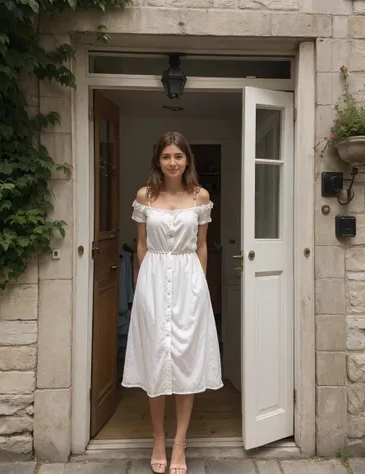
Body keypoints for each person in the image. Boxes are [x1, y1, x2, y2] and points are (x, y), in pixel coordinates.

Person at [122, 132, 223, 474]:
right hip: (153, 279)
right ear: (158, 161)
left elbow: (202, 246)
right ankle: (157, 438)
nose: (173, 162)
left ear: (187, 160)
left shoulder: (201, 197)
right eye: (166, 156)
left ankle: (179, 443)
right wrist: (141, 289)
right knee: (155, 361)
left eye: (178, 156)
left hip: (188, 281)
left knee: (185, 360)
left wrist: (201, 287)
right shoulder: (145, 197)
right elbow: (141, 246)